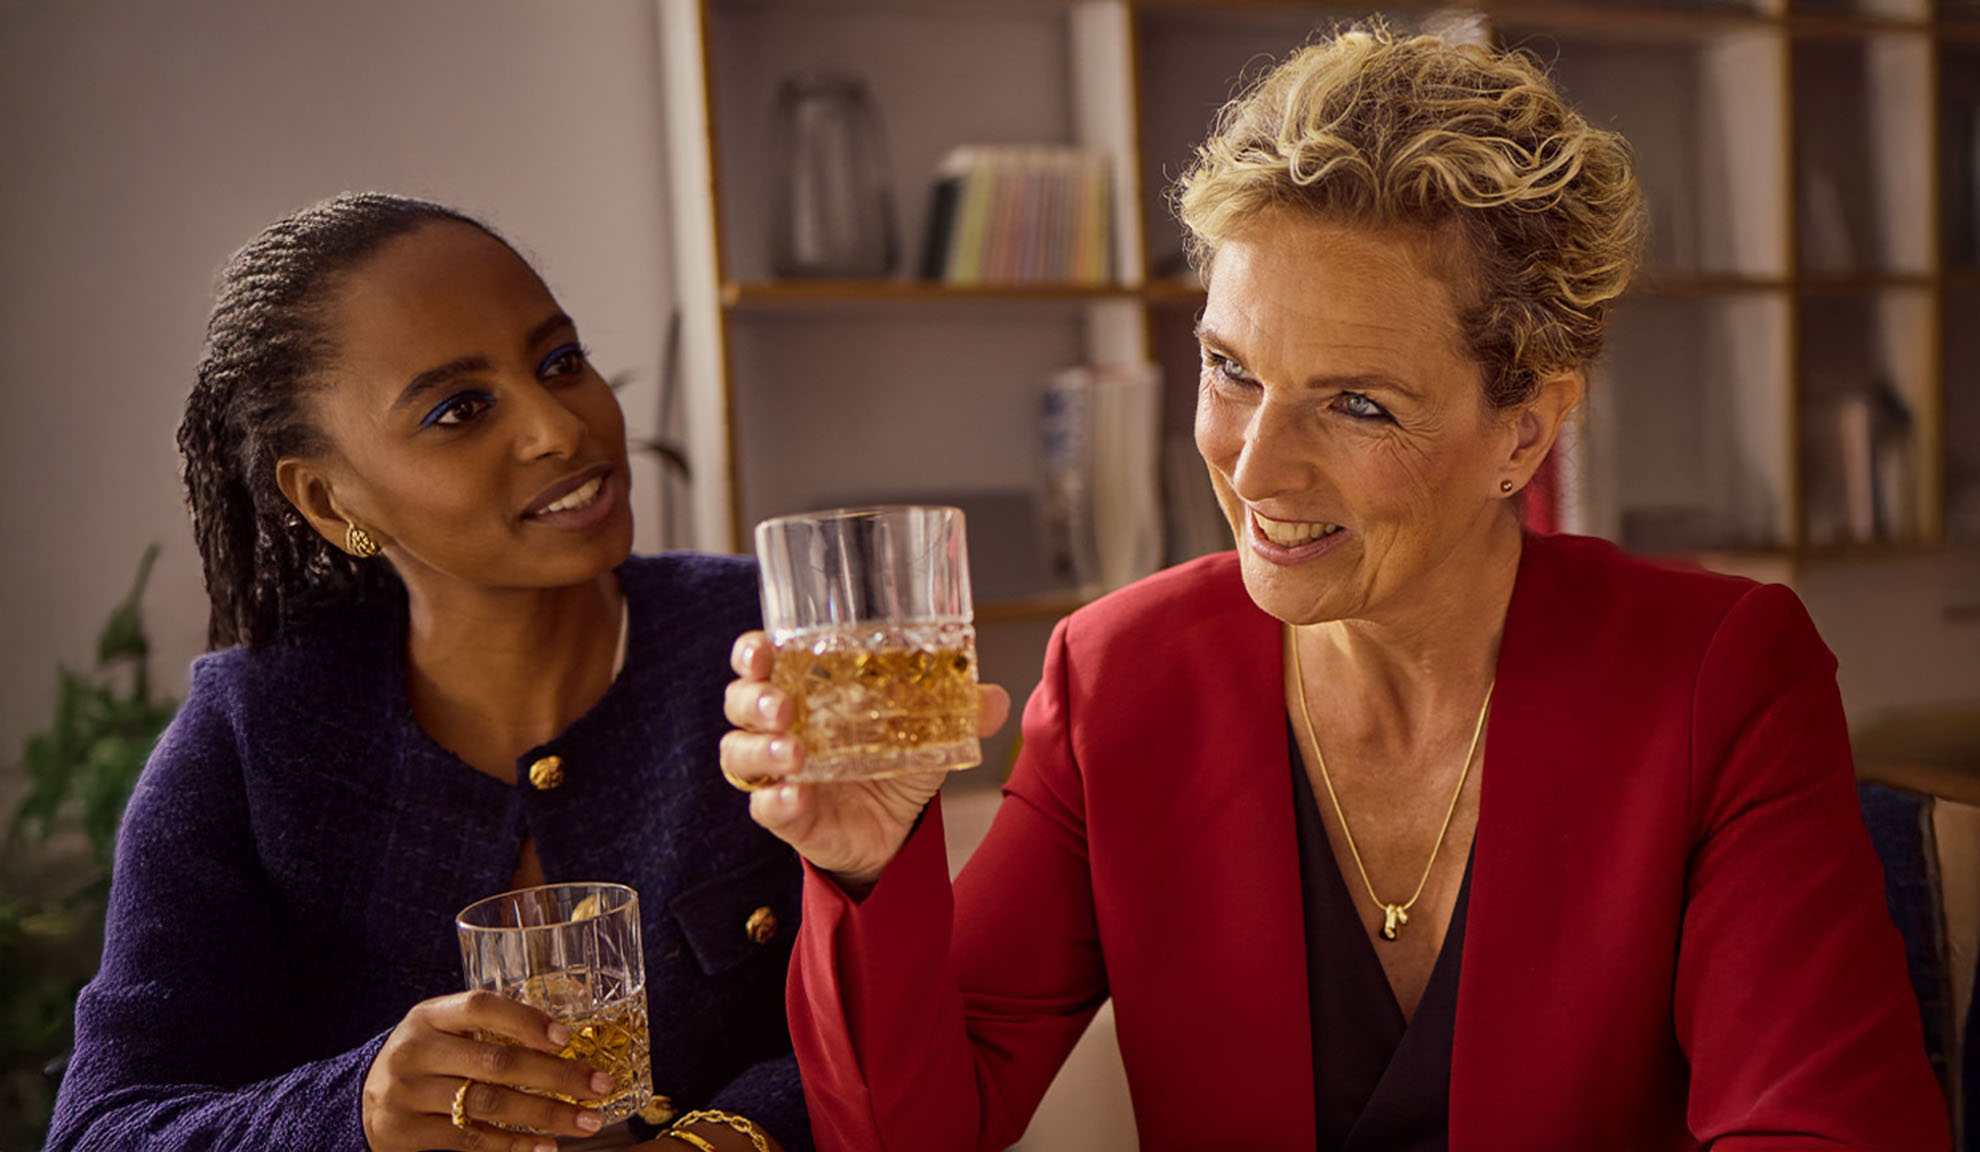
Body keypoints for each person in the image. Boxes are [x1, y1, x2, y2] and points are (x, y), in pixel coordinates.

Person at [718, 25, 1951, 1152]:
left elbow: (1822, 1131)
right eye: (1230, 370)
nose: (1255, 466)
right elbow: (919, 1135)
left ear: (1526, 434)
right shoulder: (1118, 679)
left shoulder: (1718, 670)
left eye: (1357, 403)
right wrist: (869, 872)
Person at [48, 193, 810, 1152]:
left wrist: (731, 1140)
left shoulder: (767, 643)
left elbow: (909, 1019)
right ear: (329, 501)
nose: (558, 428)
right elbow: (103, 1131)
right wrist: (360, 1108)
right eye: (461, 409)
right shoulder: (256, 736)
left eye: (559, 362)